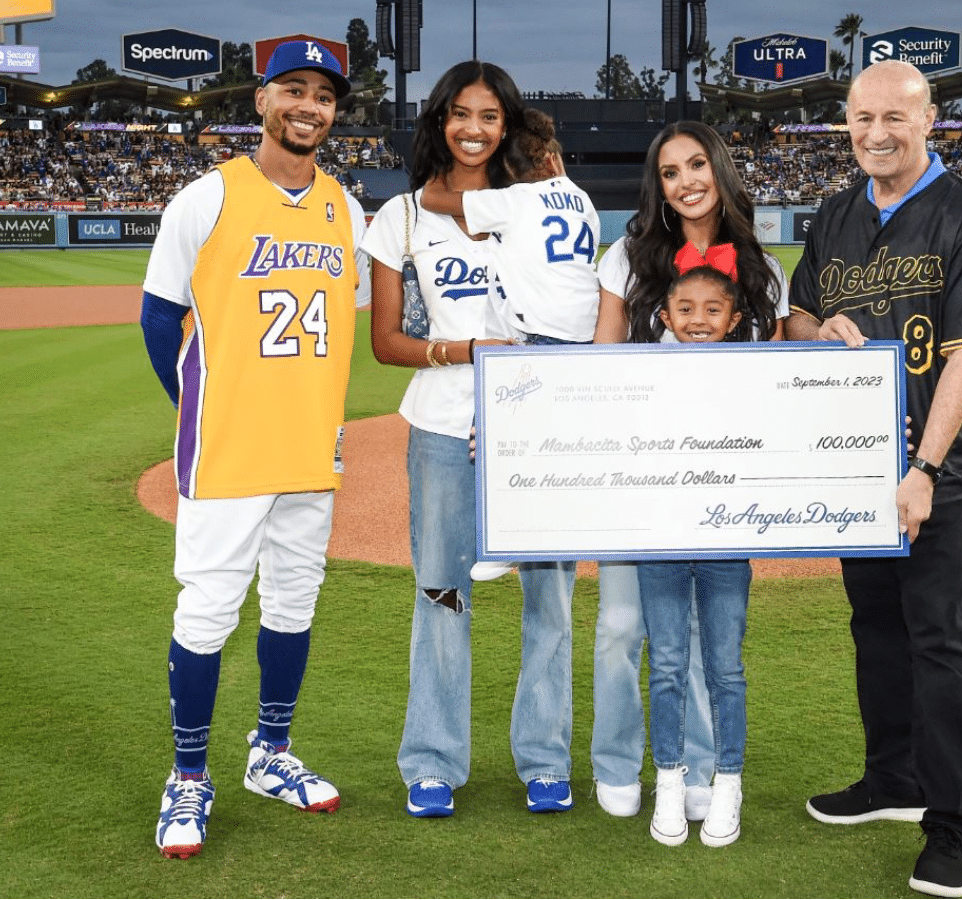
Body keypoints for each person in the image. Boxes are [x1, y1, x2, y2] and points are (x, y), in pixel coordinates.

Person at [785, 60, 962, 899]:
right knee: (876, 629)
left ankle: (953, 825)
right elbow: (800, 315)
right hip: (853, 467)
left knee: (939, 637)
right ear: (845, 125)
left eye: (895, 117)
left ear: (929, 122)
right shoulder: (835, 212)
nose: (876, 134)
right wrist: (822, 330)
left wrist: (925, 469)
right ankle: (892, 778)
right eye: (861, 119)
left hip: (935, 473)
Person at [140, 40, 371, 859]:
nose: (310, 106)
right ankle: (189, 776)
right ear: (262, 102)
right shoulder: (206, 198)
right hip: (230, 452)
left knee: (292, 605)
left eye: (324, 96)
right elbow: (158, 318)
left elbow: (357, 321)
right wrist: (205, 411)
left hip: (309, 450)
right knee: (206, 613)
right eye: (294, 91)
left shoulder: (346, 208)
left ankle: (270, 754)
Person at [361, 61, 577, 818]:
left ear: (507, 124)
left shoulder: (537, 204)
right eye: (460, 114)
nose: (474, 128)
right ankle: (431, 761)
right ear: (440, 122)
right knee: (441, 593)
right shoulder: (403, 218)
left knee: (548, 595)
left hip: (539, 428)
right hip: (445, 425)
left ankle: (546, 759)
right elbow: (386, 341)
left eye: (489, 115)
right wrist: (466, 352)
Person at [591, 120, 789, 820]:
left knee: (708, 637)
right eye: (670, 172)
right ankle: (617, 762)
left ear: (720, 169)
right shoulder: (630, 257)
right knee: (621, 625)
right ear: (659, 186)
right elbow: (602, 366)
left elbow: (788, 380)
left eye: (697, 164)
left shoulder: (763, 270)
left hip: (724, 479)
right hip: (643, 476)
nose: (686, 182)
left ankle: (700, 769)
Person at [420, 107, 602, 581]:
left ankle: (507, 537)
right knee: (556, 443)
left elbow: (434, 199)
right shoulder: (581, 198)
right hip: (583, 341)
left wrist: (452, 165)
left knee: (495, 439)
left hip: (538, 341)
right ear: (554, 160)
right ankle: (557, 524)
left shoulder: (516, 200)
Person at [637, 263, 754, 849]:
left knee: (725, 668)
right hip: (660, 539)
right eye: (686, 308)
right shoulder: (640, 374)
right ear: (666, 316)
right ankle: (669, 779)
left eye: (713, 309)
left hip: (726, 542)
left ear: (734, 319)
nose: (699, 319)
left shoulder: (755, 376)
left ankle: (728, 782)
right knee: (665, 665)